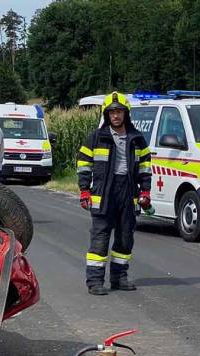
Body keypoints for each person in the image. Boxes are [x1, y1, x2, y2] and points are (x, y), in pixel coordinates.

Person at [77, 92, 152, 295]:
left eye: (119, 111)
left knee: (125, 238)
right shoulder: (96, 137)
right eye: (112, 112)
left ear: (126, 114)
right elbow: (84, 165)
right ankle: (95, 282)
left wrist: (145, 191)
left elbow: (145, 168)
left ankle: (119, 278)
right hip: (104, 193)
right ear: (107, 115)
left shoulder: (137, 139)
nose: (116, 115)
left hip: (128, 193)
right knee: (100, 239)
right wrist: (84, 191)